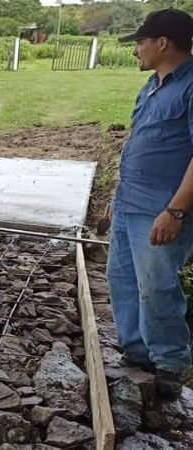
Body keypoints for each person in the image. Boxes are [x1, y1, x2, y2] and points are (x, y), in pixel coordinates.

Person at [106, 9, 193, 401]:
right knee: (122, 280)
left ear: (162, 42)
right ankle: (136, 352)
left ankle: (170, 364)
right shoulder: (153, 85)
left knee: (157, 287)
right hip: (130, 203)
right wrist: (117, 199)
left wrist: (175, 210)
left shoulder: (191, 86)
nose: (135, 50)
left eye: (140, 42)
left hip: (161, 208)